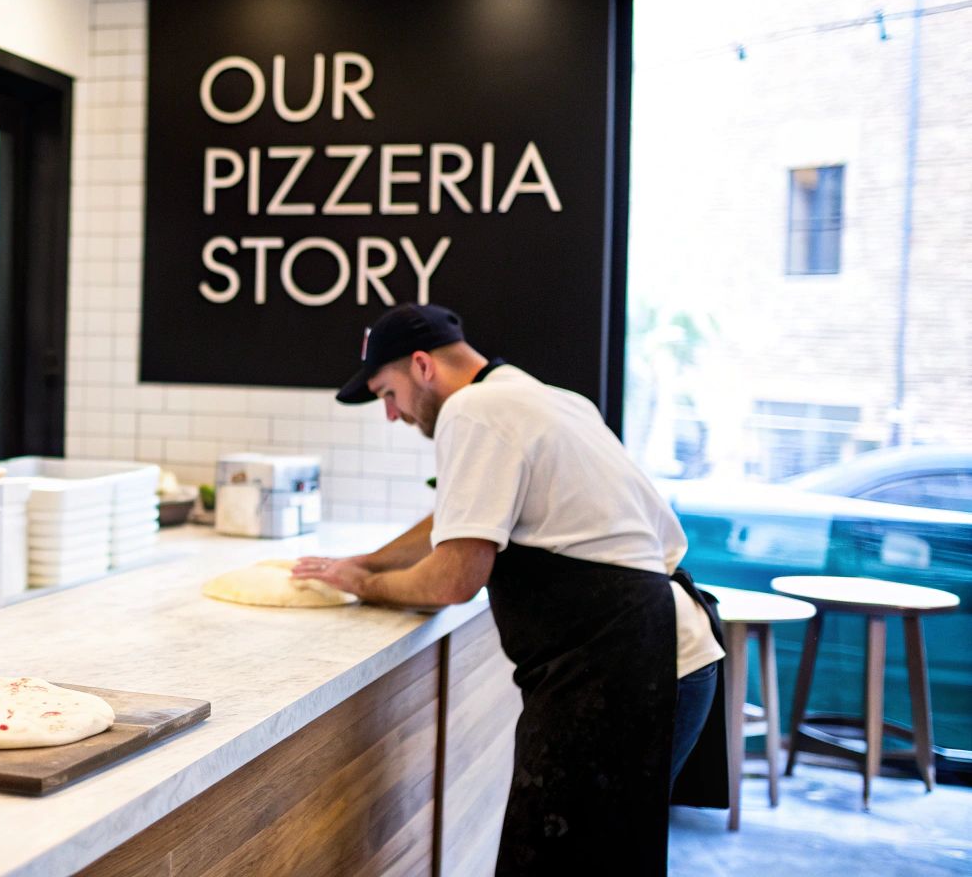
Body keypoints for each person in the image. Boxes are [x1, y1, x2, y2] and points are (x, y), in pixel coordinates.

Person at [291, 303, 728, 875]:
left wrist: (365, 586)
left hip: (624, 667)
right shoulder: (530, 395)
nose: (392, 415)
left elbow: (454, 577)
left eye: (387, 393)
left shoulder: (473, 411)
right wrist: (361, 561)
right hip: (659, 653)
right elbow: (458, 521)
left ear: (422, 365)